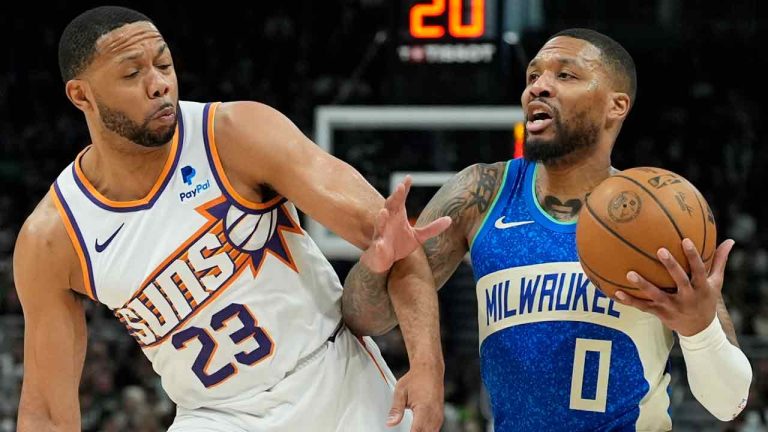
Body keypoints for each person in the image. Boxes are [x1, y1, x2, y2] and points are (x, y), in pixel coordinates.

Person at [12, 6, 451, 432]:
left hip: (334, 376)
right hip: (215, 416)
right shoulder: (54, 237)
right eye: (132, 74)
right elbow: (47, 415)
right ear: (81, 95)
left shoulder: (236, 135)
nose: (159, 84)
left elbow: (397, 243)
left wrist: (427, 368)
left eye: (164, 64)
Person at [342, 28, 753, 431]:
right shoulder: (481, 193)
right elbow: (364, 319)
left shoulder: (657, 219)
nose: (538, 87)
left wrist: (701, 331)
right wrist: (378, 263)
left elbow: (728, 404)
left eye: (565, 75)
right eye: (533, 76)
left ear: (617, 105)